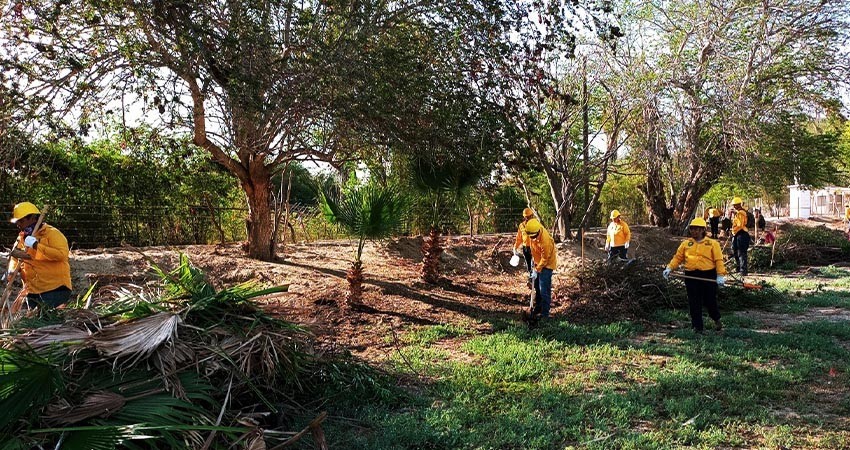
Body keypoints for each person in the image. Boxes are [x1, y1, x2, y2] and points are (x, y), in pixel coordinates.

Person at [662, 217, 726, 334]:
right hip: (691, 275)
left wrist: (720, 275)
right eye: (692, 229)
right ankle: (697, 327)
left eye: (697, 229)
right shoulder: (686, 244)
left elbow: (718, 260)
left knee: (709, 301)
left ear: (703, 230)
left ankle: (716, 318)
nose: (694, 231)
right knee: (694, 301)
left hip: (708, 275)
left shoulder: (712, 244)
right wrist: (670, 268)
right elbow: (678, 258)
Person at [5, 202, 72, 309]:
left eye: (21, 221)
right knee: (35, 324)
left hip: (54, 289)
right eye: (17, 221)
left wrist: (36, 245)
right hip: (32, 290)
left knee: (50, 323)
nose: (18, 224)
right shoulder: (22, 236)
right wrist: (11, 270)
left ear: (32, 218)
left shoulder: (52, 234)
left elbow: (61, 255)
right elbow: (15, 256)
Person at [525, 218, 556, 320]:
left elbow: (545, 258)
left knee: (544, 289)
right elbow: (533, 248)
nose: (532, 238)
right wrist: (533, 263)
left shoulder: (545, 241)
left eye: (534, 236)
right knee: (537, 287)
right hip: (538, 262)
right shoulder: (532, 231)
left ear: (538, 232)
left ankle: (545, 314)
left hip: (547, 265)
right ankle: (538, 307)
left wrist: (537, 269)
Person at [730, 197, 751, 276]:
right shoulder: (738, 213)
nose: (734, 206)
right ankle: (739, 268)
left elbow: (740, 225)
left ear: (739, 205)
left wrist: (733, 231)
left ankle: (743, 270)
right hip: (737, 234)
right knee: (735, 251)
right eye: (734, 205)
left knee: (741, 253)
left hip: (741, 234)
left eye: (736, 205)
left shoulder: (741, 213)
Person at [513, 208, 536, 276]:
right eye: (527, 216)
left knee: (534, 264)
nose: (528, 218)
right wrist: (515, 247)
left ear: (532, 216)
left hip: (534, 247)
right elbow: (519, 238)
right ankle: (530, 278)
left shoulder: (536, 224)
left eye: (529, 216)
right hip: (525, 247)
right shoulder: (521, 226)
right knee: (528, 264)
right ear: (524, 217)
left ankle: (535, 281)